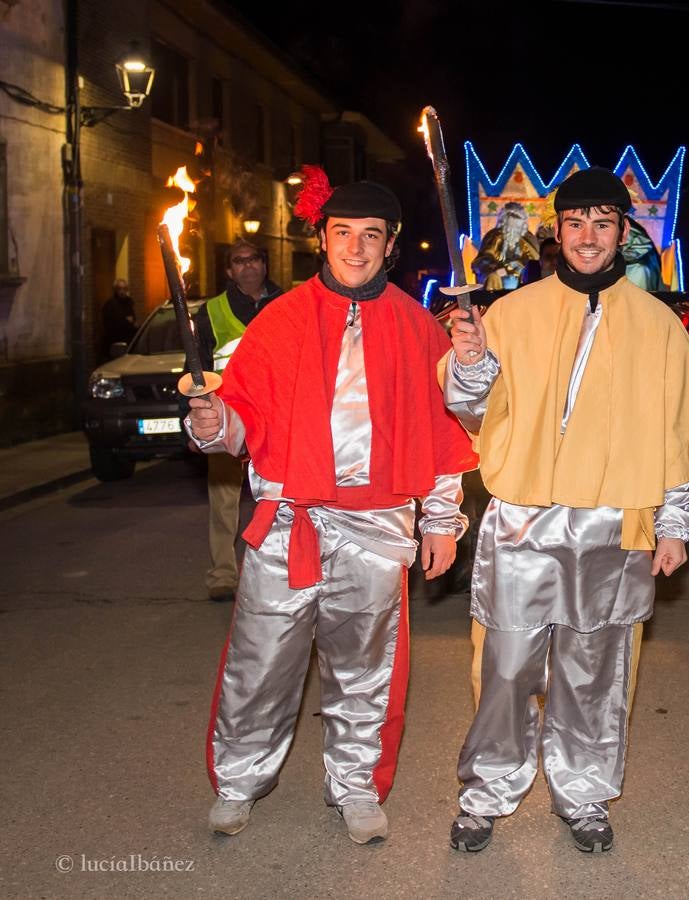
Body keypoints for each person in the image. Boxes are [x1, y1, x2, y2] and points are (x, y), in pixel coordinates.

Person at [184, 169, 477, 845]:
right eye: (342, 233)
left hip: (377, 526)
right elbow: (239, 422)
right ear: (321, 238)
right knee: (260, 662)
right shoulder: (278, 321)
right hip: (287, 522)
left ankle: (354, 787)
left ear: (390, 246)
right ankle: (238, 782)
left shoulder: (416, 327)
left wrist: (440, 523)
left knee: (366, 670)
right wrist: (209, 418)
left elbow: (443, 436)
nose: (355, 247)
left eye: (370, 236)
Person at [443, 167, 689, 854]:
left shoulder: (659, 324)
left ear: (624, 234)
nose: (588, 236)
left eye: (602, 223)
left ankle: (584, 793)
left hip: (613, 522)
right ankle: (487, 790)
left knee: (596, 673)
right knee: (505, 667)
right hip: (522, 520)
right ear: (556, 233)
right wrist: (471, 364)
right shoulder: (508, 314)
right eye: (575, 223)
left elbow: (675, 433)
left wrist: (674, 524)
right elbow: (473, 413)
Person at [191, 239, 282, 603]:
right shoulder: (211, 311)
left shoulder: (287, 304)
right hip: (226, 415)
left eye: (254, 258)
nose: (247, 266)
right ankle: (223, 575)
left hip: (277, 414)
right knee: (224, 498)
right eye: (239, 261)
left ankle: (276, 570)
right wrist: (196, 416)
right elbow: (195, 365)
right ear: (229, 270)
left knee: (279, 496)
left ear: (264, 264)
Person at [471, 200, 540, 289]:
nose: (512, 232)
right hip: (500, 271)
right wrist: (501, 267)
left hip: (520, 273)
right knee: (493, 276)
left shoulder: (527, 239)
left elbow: (534, 261)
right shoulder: (494, 236)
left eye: (517, 228)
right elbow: (484, 258)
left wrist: (520, 265)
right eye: (510, 227)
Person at [100, 278, 137, 356]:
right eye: (119, 289)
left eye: (124, 289)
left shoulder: (129, 302)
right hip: (114, 342)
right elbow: (109, 324)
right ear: (116, 290)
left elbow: (133, 319)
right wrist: (126, 321)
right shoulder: (110, 304)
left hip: (128, 342)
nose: (122, 291)